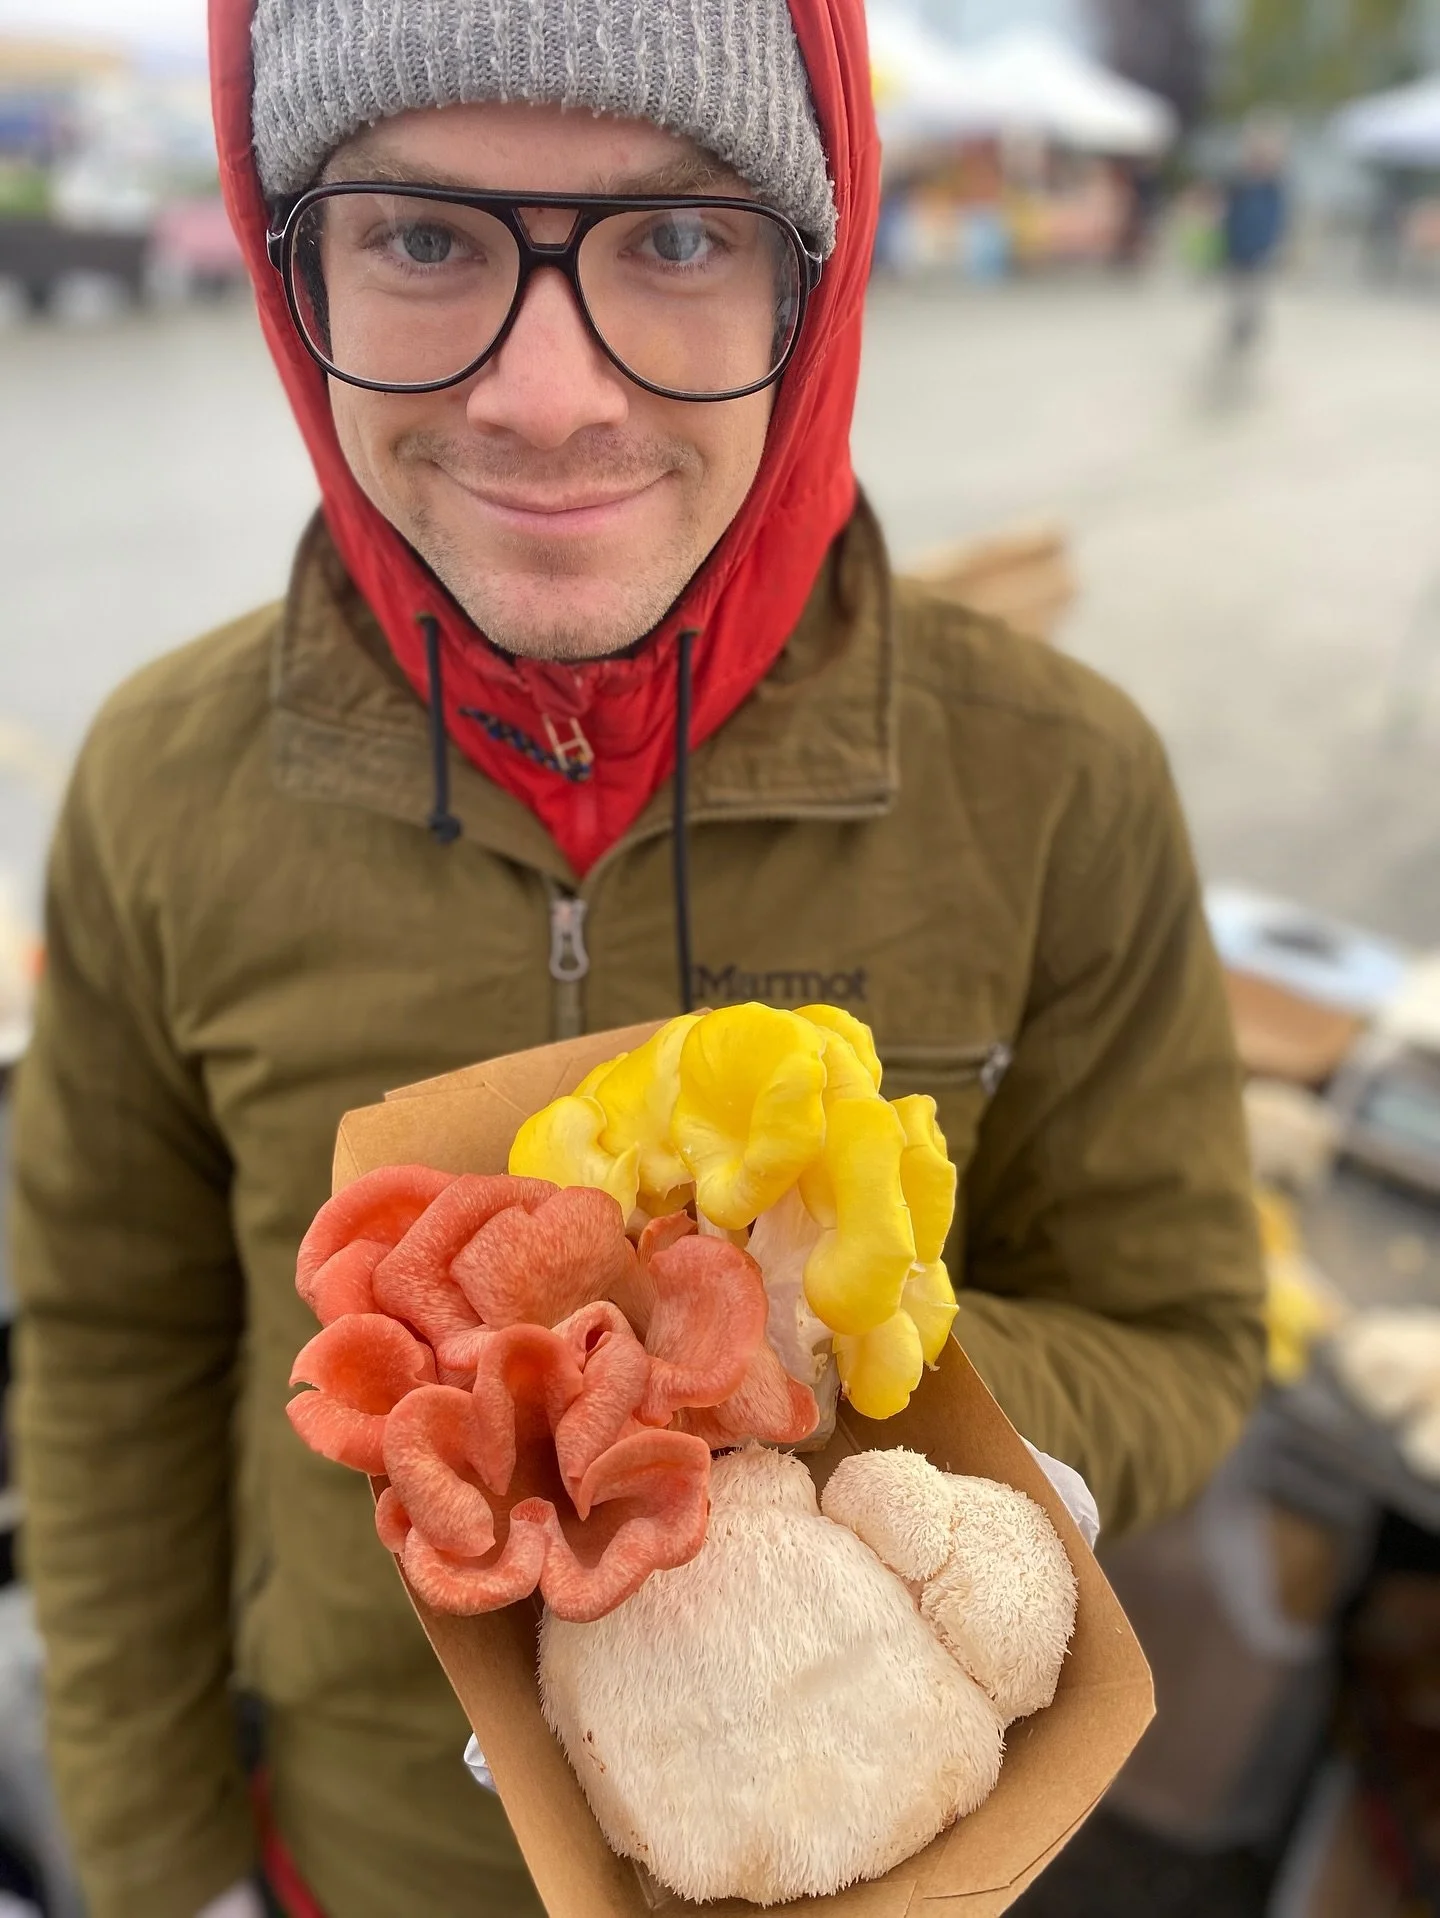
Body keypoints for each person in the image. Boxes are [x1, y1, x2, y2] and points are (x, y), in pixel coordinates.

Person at [9, 0, 1265, 1915]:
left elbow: (1183, 1327)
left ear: (816, 275)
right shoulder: (161, 789)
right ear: (290, 266)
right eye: (424, 238)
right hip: (352, 1856)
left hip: (885, 1829)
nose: (547, 391)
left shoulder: (1059, 781)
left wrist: (940, 1419)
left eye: (678, 238)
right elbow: (109, 1351)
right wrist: (171, 1864)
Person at [1220, 112, 1289, 356]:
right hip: (1238, 244)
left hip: (1261, 246)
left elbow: (1281, 217)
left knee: (1255, 291)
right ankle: (1239, 326)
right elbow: (1226, 212)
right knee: (1238, 289)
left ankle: (1248, 326)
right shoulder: (1239, 180)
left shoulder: (1275, 184)